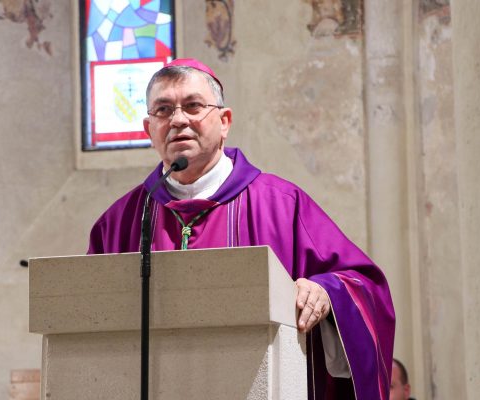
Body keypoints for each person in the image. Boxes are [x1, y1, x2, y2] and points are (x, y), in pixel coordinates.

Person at [87, 58, 395, 399]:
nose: (178, 120)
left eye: (193, 106)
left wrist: (325, 294)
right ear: (149, 130)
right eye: (163, 110)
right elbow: (87, 321)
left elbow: (364, 285)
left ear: (224, 122)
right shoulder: (121, 220)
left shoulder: (281, 205)